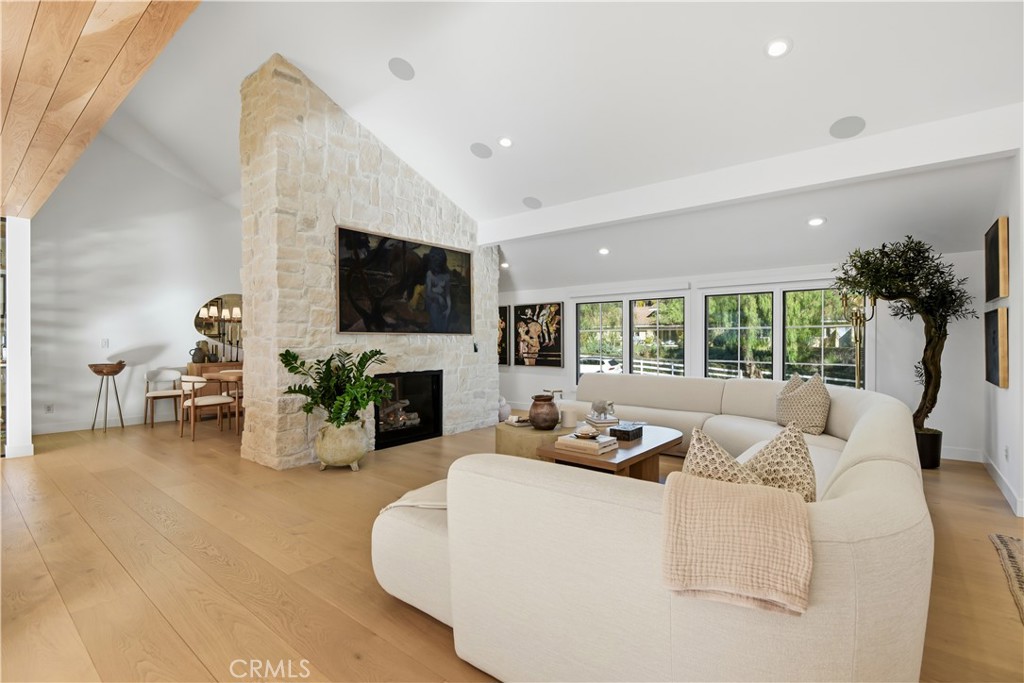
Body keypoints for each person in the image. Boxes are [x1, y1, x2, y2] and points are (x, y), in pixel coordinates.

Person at [424, 247, 451, 332]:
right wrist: (438, 297)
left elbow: (447, 295)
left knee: (445, 319)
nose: (437, 264)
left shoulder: (446, 276)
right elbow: (428, 293)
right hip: (432, 302)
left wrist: (449, 309)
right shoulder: (429, 274)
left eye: (439, 261)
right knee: (434, 307)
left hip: (443, 304)